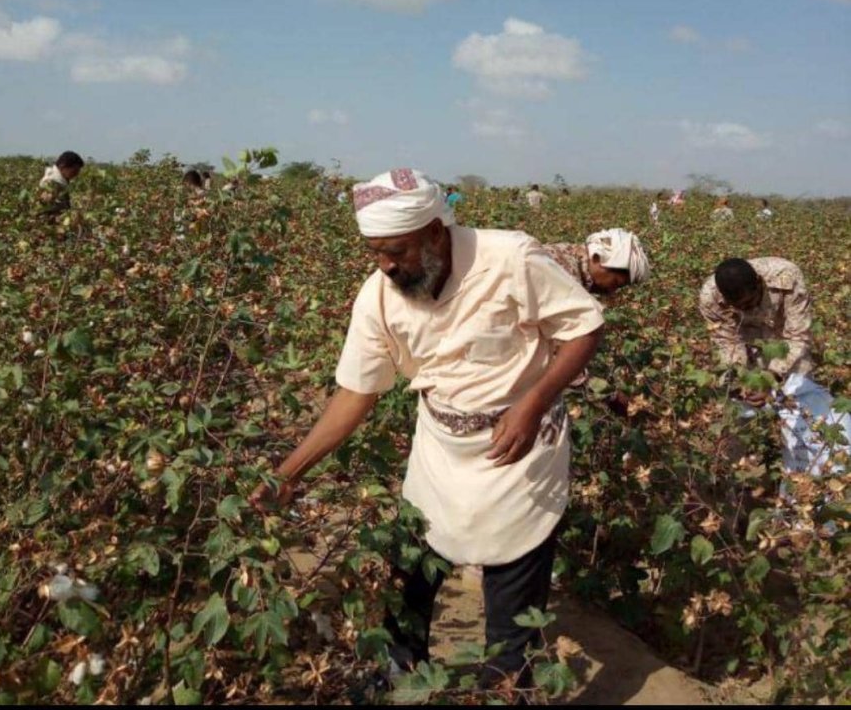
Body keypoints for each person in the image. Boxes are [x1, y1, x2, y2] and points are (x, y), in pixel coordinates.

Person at [251, 168, 605, 688]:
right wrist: (289, 473)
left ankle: (507, 687)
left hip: (521, 454)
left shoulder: (511, 258)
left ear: (436, 231)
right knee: (411, 572)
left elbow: (583, 327)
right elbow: (357, 392)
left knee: (513, 587)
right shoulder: (377, 297)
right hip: (440, 450)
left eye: (397, 250)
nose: (387, 265)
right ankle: (400, 675)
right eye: (375, 252)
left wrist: (533, 402)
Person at [699, 258, 850, 478]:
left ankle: (812, 476)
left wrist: (771, 380)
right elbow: (727, 343)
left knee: (801, 412)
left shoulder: (786, 277)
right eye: (738, 307)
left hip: (788, 347)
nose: (746, 310)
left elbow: (797, 336)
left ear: (759, 283)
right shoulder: (710, 297)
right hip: (747, 349)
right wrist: (743, 381)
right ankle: (727, 479)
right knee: (735, 417)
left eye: (750, 303)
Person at [542, 228, 651, 296]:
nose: (611, 291)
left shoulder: (568, 251)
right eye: (615, 283)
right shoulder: (568, 280)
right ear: (598, 258)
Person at [37, 150, 84, 218]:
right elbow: (45, 211)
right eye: (74, 171)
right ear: (63, 166)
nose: (76, 174)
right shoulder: (50, 183)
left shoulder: (61, 182)